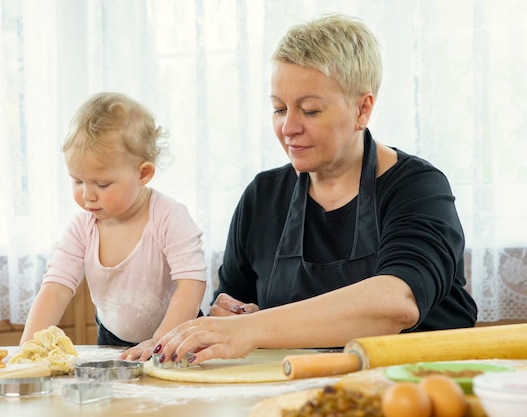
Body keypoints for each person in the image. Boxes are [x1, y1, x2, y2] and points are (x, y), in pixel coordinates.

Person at [153, 14, 477, 366]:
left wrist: (254, 328)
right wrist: (233, 316)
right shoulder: (262, 197)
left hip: (414, 389)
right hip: (297, 390)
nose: (288, 127)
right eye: (279, 108)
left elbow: (397, 302)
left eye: (310, 110)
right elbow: (232, 309)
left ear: (362, 109)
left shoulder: (417, 187)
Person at [20, 92, 207, 362]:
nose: (87, 196)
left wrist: (160, 340)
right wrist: (27, 347)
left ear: (143, 173)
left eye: (102, 184)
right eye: (78, 181)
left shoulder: (169, 216)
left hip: (175, 334)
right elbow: (56, 288)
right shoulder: (82, 227)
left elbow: (191, 284)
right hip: (112, 338)